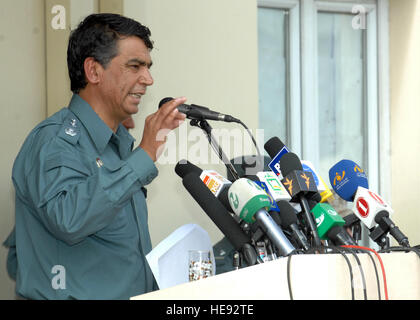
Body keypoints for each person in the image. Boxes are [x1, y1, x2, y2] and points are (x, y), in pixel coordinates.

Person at [3, 13, 186, 300]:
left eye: (148, 67)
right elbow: (69, 220)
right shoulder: (54, 141)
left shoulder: (117, 145)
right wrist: (145, 154)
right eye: (134, 66)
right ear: (94, 71)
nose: (148, 79)